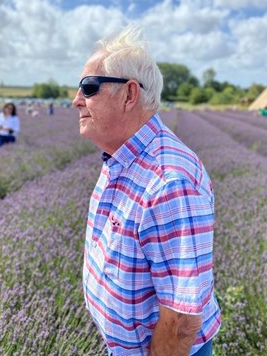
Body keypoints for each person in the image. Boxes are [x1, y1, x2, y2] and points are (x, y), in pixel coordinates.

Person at [73, 27, 221, 356]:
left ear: (129, 95)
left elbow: (182, 321)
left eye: (88, 87)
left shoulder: (170, 182)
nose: (76, 100)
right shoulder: (122, 156)